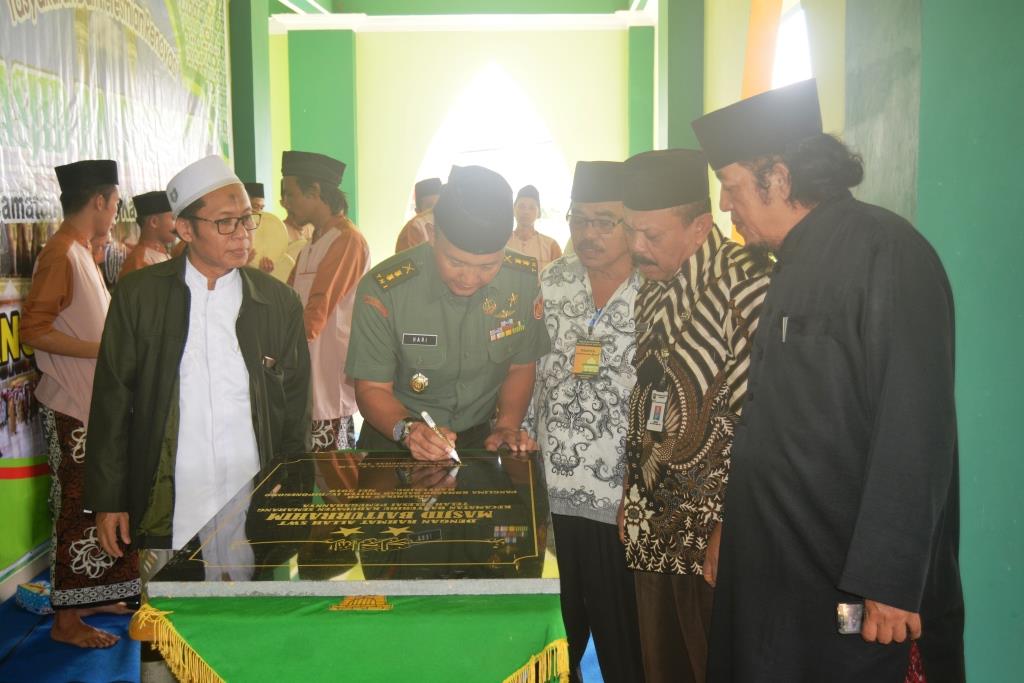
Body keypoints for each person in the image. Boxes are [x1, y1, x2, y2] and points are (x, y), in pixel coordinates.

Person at [691, 79, 964, 683]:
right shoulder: (790, 261)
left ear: (780, 178)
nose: (727, 208)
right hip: (778, 559)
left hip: (850, 575)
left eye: (732, 189)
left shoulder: (888, 252)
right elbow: (767, 415)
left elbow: (914, 425)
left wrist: (888, 579)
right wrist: (729, 525)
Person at [84, 154, 311, 582]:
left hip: (251, 490)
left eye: (248, 219)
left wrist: (294, 484)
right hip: (170, 490)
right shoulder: (140, 296)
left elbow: (295, 404)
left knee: (251, 619)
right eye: (226, 222)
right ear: (185, 229)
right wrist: (109, 499)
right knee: (171, 626)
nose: (243, 234)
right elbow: (112, 402)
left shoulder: (277, 302)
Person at [618, 149, 771, 683]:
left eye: (651, 235)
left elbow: (761, 419)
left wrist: (732, 524)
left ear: (700, 224)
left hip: (714, 533)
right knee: (662, 666)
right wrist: (630, 493)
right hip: (653, 524)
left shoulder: (747, 283)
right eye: (630, 230)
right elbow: (649, 401)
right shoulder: (651, 288)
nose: (636, 248)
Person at [346, 165, 549, 459]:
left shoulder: (522, 282)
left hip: (477, 443)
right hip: (395, 442)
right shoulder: (385, 291)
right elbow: (372, 388)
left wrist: (506, 426)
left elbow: (520, 366)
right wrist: (410, 431)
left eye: (487, 267)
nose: (469, 278)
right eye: (455, 262)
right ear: (433, 236)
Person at [531, 160, 645, 682]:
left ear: (633, 222)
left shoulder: (656, 286)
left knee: (626, 632)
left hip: (623, 494)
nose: (589, 234)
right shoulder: (551, 282)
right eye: (580, 220)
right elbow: (530, 369)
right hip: (552, 487)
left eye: (606, 222)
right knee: (556, 628)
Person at [21, 159, 140, 648]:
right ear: (99, 200)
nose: (115, 213)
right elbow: (34, 331)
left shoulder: (81, 253)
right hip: (71, 408)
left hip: (92, 407)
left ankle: (92, 595)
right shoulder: (59, 254)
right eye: (115, 204)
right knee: (76, 511)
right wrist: (101, 350)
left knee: (102, 506)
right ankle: (66, 621)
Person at [281, 151, 370, 451]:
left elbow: (318, 308)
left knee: (337, 479)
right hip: (306, 370)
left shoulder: (346, 240)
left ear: (315, 191)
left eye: (290, 194)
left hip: (328, 375)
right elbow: (288, 299)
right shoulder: (313, 242)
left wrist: (282, 352)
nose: (285, 203)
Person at [506, 184, 561, 273]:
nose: (526, 212)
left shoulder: (551, 246)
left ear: (538, 213)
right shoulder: (502, 241)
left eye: (532, 207)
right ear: (513, 209)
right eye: (521, 206)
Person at [119, 191, 173, 278]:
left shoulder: (164, 254)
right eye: (173, 218)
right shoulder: (138, 261)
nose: (177, 224)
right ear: (154, 222)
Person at [395, 177, 442, 253]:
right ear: (418, 211)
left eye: (438, 205)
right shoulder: (413, 229)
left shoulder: (447, 228)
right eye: (429, 207)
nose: (434, 211)